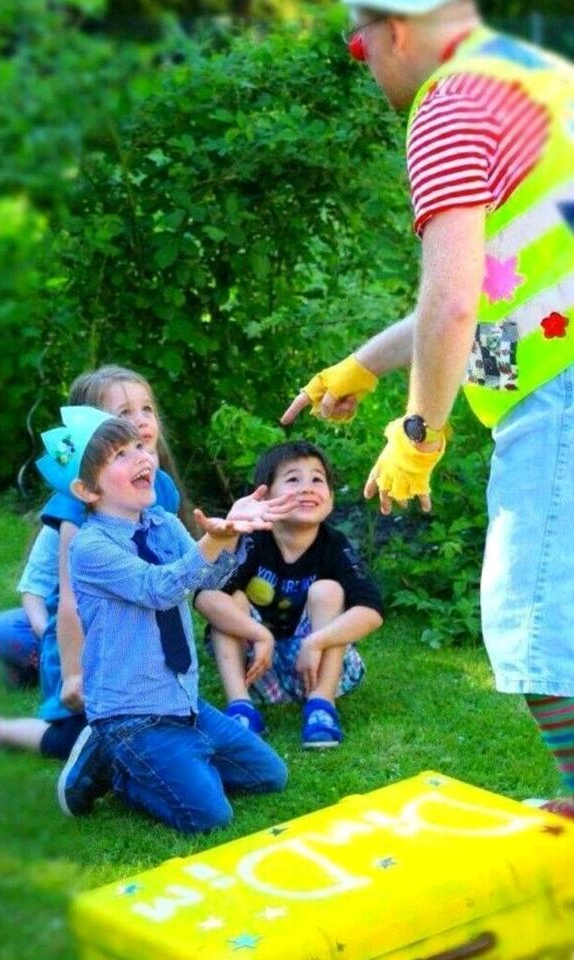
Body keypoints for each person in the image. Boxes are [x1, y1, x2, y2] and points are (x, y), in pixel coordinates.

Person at [282, 1, 574, 814]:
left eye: (357, 45)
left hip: (561, 390)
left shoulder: (448, 104)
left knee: (533, 620)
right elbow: (491, 286)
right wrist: (361, 368)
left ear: (394, 29)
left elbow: (452, 305)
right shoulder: (536, 76)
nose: (363, 63)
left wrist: (418, 434)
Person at [51, 407, 294, 832]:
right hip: (131, 712)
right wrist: (211, 539)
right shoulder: (89, 548)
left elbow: (208, 580)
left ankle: (174, 757)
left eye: (140, 447)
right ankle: (117, 760)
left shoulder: (162, 522)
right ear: (87, 489)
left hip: (181, 702)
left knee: (270, 776)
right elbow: (158, 588)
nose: (141, 457)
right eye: (120, 455)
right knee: (210, 817)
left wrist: (232, 531)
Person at [0, 365, 182, 761]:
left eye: (146, 409)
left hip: (130, 633)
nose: (139, 422)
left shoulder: (162, 489)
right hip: (81, 636)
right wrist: (69, 664)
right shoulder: (76, 508)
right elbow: (65, 599)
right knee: (75, 739)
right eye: (122, 415)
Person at [195, 441, 384, 748]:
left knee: (329, 591)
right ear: (265, 497)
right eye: (293, 479)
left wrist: (316, 640)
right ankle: (241, 708)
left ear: (331, 500)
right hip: (257, 667)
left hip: (317, 665)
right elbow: (204, 596)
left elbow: (372, 611)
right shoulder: (253, 540)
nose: (307, 487)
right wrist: (259, 634)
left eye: (317, 479)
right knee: (232, 599)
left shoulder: (334, 545)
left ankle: (322, 705)